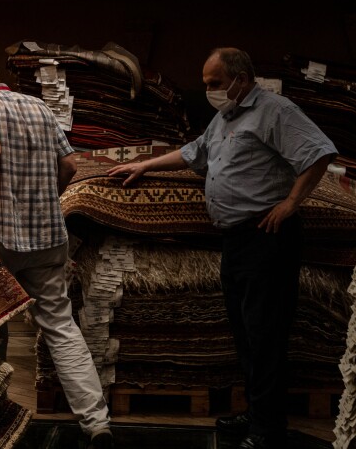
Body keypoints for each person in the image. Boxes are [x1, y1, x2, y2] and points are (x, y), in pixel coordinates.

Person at [108, 48, 337, 449]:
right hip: (235, 241)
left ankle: (268, 431)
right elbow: (194, 153)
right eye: (207, 84)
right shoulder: (224, 117)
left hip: (267, 239)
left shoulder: (275, 110)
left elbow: (319, 153)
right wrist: (144, 165)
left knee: (266, 335)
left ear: (241, 79)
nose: (210, 90)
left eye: (215, 83)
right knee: (246, 333)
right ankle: (256, 411)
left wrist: (290, 204)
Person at [0, 58, 113, 449]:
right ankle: (97, 424)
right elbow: (69, 165)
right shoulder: (39, 106)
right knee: (62, 328)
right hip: (48, 237)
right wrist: (45, 202)